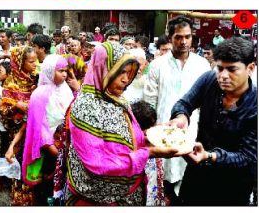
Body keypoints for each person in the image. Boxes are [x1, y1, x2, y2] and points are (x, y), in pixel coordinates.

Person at [64, 42, 181, 205]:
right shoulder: (86, 106)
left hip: (126, 192)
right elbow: (97, 162)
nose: (126, 79)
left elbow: (129, 135)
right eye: (119, 73)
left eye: (128, 73)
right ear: (103, 69)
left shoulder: (116, 98)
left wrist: (157, 136)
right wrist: (149, 153)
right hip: (97, 198)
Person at [169, 37, 256, 205]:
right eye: (220, 68)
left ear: (250, 68)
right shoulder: (209, 79)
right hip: (197, 175)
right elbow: (184, 103)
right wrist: (181, 117)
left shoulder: (257, 105)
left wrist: (209, 156)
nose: (223, 76)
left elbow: (248, 157)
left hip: (233, 186)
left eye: (232, 69)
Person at [142, 16, 211, 203]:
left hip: (193, 130)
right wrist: (151, 130)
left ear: (192, 37)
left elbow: (207, 102)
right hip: (163, 130)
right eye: (178, 37)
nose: (183, 41)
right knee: (163, 178)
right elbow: (149, 101)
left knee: (189, 176)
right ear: (170, 37)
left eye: (187, 37)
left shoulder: (202, 65)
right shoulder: (157, 65)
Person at [21, 55, 74, 205]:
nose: (64, 74)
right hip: (48, 150)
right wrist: (57, 154)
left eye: (65, 70)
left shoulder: (66, 90)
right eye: (60, 70)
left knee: (59, 190)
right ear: (50, 71)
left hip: (64, 146)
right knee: (45, 188)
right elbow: (40, 128)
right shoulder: (39, 94)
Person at [0, 46, 38, 205]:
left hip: (33, 131)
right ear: (20, 62)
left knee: (33, 168)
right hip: (16, 133)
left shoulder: (35, 79)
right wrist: (16, 106)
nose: (34, 65)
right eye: (31, 62)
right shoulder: (10, 83)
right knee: (19, 168)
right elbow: (3, 112)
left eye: (35, 61)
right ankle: (20, 201)